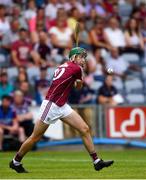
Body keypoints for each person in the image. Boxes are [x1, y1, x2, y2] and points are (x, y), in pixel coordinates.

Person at [9, 47, 114, 173]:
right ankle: (15, 161)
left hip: (62, 105)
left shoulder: (64, 66)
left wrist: (78, 77)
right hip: (51, 105)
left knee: (84, 129)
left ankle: (96, 161)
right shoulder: (76, 68)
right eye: (81, 57)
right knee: (35, 137)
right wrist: (80, 76)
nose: (83, 60)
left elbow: (73, 83)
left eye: (84, 57)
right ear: (73, 57)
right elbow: (79, 87)